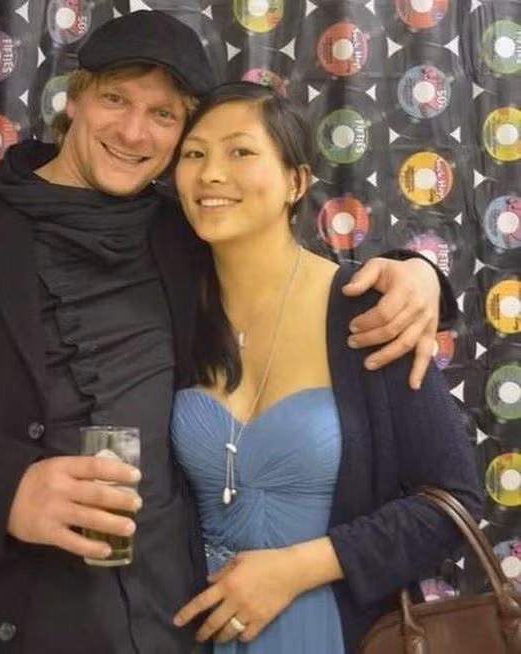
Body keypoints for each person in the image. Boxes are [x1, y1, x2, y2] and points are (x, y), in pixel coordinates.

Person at [0, 11, 456, 654]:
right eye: (116, 99)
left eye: (163, 114)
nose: (133, 131)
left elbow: (283, 259)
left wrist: (419, 275)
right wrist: (5, 490)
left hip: (162, 625)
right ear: (75, 99)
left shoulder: (186, 230)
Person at [169, 82, 482, 654]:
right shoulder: (167, 310)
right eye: (194, 153)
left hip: (332, 631)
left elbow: (454, 502)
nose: (211, 173)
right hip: (191, 628)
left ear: (297, 181)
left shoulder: (369, 311)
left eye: (240, 151)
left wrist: (295, 569)